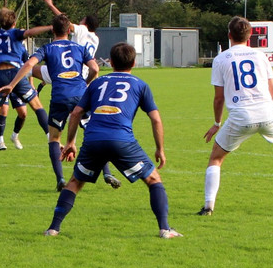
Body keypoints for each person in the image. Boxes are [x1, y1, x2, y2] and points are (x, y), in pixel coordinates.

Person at [45, 42, 182, 239]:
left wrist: (70, 143)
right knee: (153, 179)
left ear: (110, 62)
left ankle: (53, 229)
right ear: (134, 62)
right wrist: (160, 148)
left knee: (75, 182)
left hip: (93, 140)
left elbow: (75, 113)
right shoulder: (140, 85)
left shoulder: (96, 83)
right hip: (122, 141)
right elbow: (155, 119)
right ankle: (165, 229)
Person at [198, 16, 273, 215]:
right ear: (250, 35)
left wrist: (217, 123)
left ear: (229, 35)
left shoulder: (220, 59)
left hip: (240, 116)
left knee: (216, 158)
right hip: (266, 111)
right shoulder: (260, 56)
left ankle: (209, 206)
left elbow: (219, 99)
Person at [0, 14, 99, 190]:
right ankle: (105, 173)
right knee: (92, 132)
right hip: (80, 94)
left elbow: (29, 64)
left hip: (60, 95)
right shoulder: (79, 47)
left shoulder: (47, 47)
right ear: (69, 30)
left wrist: (12, 85)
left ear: (53, 30)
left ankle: (60, 179)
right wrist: (86, 83)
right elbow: (95, 68)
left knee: (54, 138)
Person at [41, 0, 121, 188]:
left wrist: (51, 5)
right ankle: (106, 171)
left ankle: (26, 86)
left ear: (85, 22)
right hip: (83, 81)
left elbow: (63, 22)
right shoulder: (95, 37)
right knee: (92, 128)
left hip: (66, 73)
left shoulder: (81, 30)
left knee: (35, 70)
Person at [0, 8, 51, 167]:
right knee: (37, 106)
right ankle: (52, 138)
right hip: (16, 74)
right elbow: (30, 32)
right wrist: (50, 27)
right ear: (15, 23)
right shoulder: (16, 34)